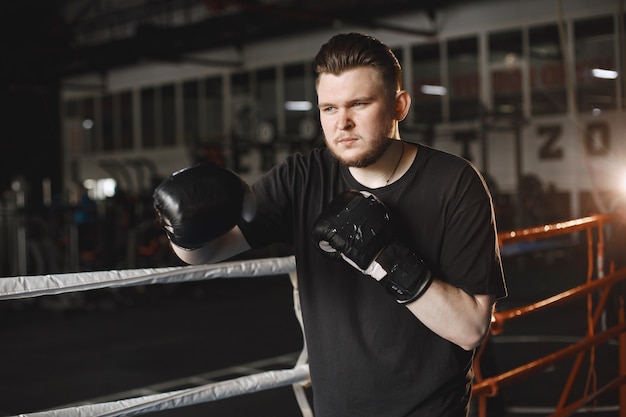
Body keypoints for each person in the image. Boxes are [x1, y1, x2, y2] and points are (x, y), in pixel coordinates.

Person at [153, 32, 507, 416]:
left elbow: (471, 328)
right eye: (329, 109)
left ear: (399, 105)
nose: (343, 123)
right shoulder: (302, 178)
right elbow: (206, 253)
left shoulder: (455, 184)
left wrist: (383, 258)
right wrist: (185, 225)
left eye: (359, 104)